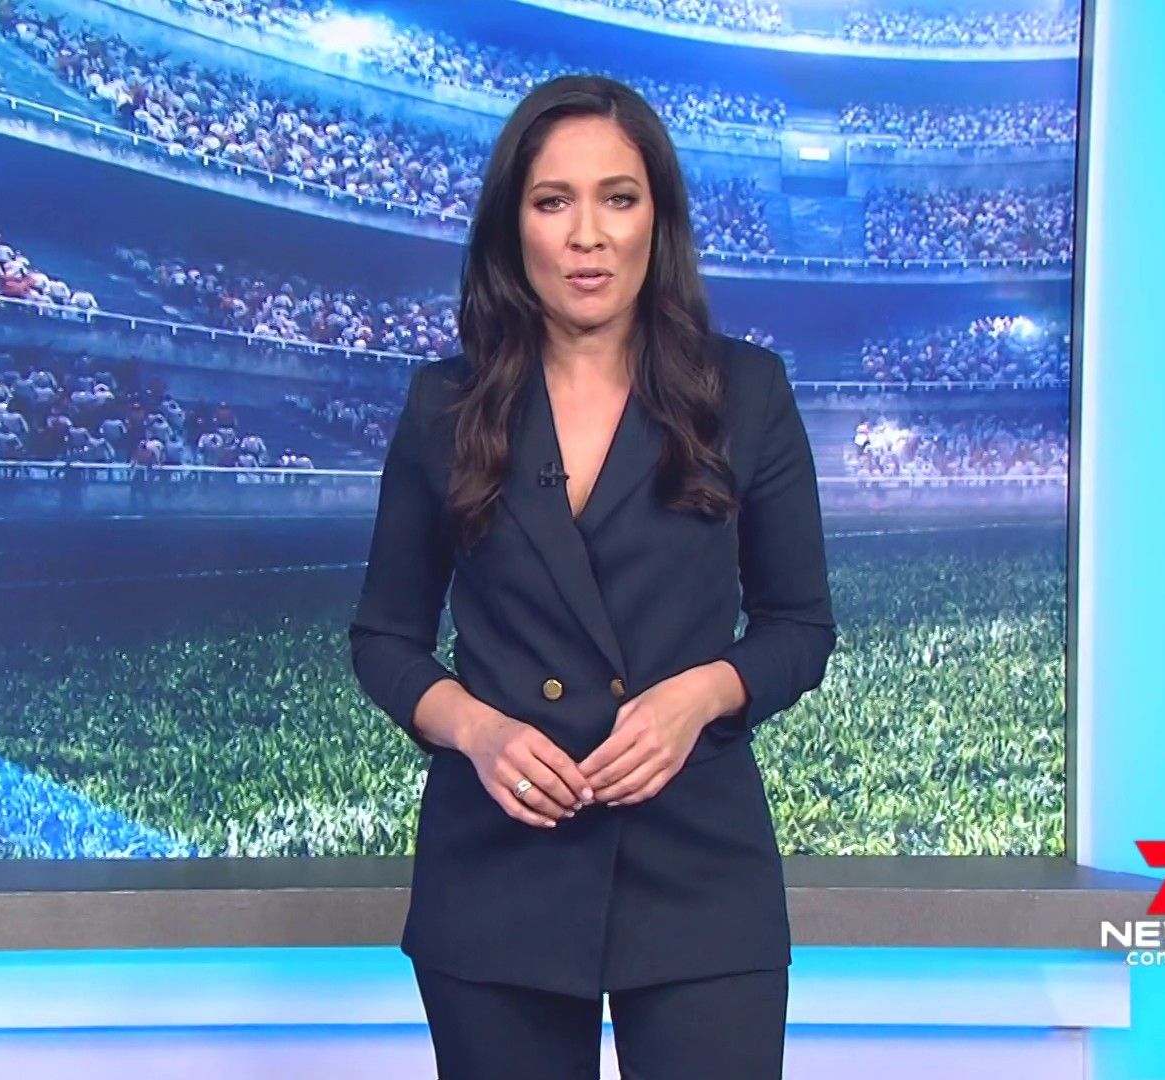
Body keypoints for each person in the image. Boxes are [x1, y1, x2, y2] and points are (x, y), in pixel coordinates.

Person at [347, 75, 837, 1078]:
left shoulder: (746, 392)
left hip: (698, 863)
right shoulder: (445, 405)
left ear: (659, 218)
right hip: (499, 868)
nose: (588, 236)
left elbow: (799, 628)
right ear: (512, 225)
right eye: (552, 201)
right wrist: (477, 731)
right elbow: (384, 640)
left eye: (618, 198)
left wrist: (700, 696)